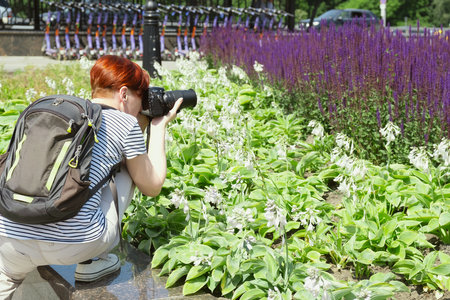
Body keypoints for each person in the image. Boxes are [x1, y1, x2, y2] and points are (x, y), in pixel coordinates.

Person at [0, 55, 183, 299]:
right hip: (77, 244)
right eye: (142, 99)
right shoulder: (125, 124)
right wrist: (158, 127)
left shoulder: (62, 114)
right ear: (124, 94)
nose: (142, 109)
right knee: (131, 166)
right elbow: (152, 185)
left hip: (11, 238)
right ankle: (92, 261)